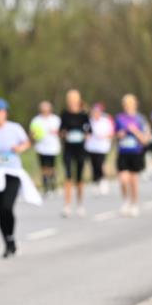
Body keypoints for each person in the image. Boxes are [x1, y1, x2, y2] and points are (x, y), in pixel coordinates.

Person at [0, 98, 42, 257]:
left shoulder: (14, 128)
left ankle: (10, 235)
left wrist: (19, 148)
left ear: (5, 113)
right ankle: (7, 242)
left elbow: (26, 143)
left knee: (7, 206)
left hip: (12, 172)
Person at [115, 94, 151, 217]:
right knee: (123, 179)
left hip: (136, 153)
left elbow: (145, 139)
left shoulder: (141, 119)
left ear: (135, 105)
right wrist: (119, 135)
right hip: (123, 152)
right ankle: (126, 201)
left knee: (134, 181)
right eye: (125, 105)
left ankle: (134, 204)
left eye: (129, 105)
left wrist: (135, 131)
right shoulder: (119, 118)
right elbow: (114, 134)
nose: (127, 107)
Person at [59, 89, 90, 217]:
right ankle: (67, 205)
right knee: (67, 176)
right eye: (70, 101)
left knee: (79, 178)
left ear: (78, 101)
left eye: (74, 100)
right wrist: (64, 134)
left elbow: (89, 131)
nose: (72, 103)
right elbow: (60, 131)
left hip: (80, 149)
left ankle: (80, 204)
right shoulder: (64, 114)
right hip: (68, 148)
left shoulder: (84, 115)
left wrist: (85, 135)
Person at [29, 100, 61, 196]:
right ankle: (46, 186)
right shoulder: (36, 120)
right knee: (43, 167)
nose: (45, 111)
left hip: (53, 147)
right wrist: (34, 135)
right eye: (43, 109)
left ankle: (53, 184)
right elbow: (32, 133)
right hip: (41, 147)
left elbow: (62, 131)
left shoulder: (56, 119)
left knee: (51, 167)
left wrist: (57, 132)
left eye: (46, 109)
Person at [85, 102, 114, 195]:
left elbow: (111, 133)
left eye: (97, 111)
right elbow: (86, 133)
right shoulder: (89, 121)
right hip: (92, 147)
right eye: (94, 111)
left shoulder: (105, 121)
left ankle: (103, 181)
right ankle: (96, 182)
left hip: (102, 147)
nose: (96, 113)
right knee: (94, 165)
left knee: (101, 164)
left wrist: (104, 136)